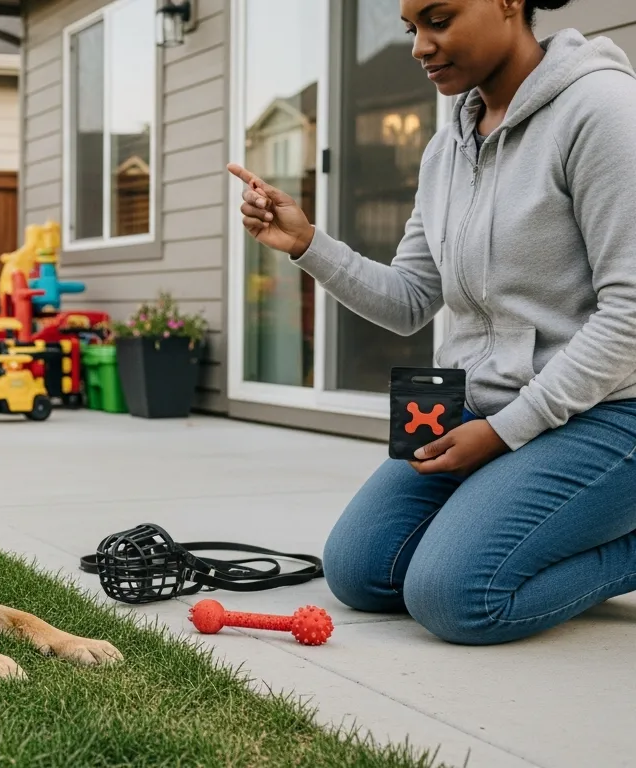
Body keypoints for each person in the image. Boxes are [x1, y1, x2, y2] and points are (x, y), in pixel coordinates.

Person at [228, 0, 636, 645]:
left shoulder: (602, 110)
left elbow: (630, 316)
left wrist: (505, 432)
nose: (419, 46)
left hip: (607, 412)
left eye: (439, 20)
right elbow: (411, 298)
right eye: (411, 28)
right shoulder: (448, 147)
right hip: (482, 406)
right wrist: (308, 244)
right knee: (361, 571)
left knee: (455, 597)